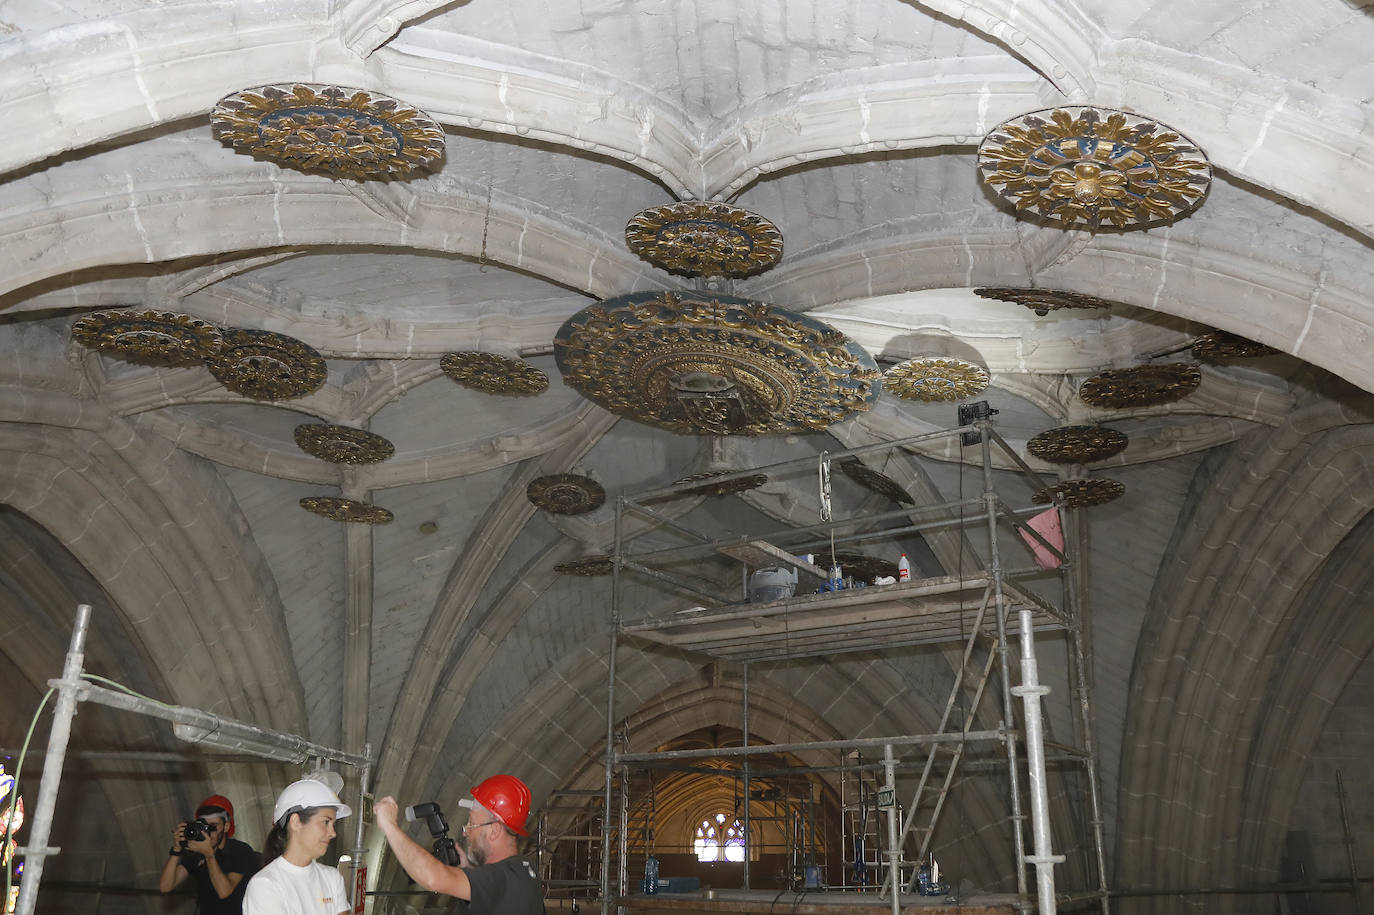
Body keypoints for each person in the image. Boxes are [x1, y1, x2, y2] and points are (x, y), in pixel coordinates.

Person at [374, 774, 543, 915]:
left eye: (472, 824)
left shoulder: (498, 879)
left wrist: (389, 826)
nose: (465, 831)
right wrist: (468, 869)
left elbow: (433, 879)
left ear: (494, 831)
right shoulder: (525, 870)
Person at [242, 778, 353, 915]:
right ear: (295, 822)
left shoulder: (332, 878)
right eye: (325, 822)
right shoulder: (265, 884)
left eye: (333, 825)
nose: (332, 833)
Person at [159, 794, 259, 914]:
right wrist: (176, 850)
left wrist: (209, 856)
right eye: (204, 826)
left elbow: (224, 892)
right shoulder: (197, 852)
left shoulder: (240, 850)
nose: (209, 832)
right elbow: (165, 886)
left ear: (226, 827)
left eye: (213, 826)